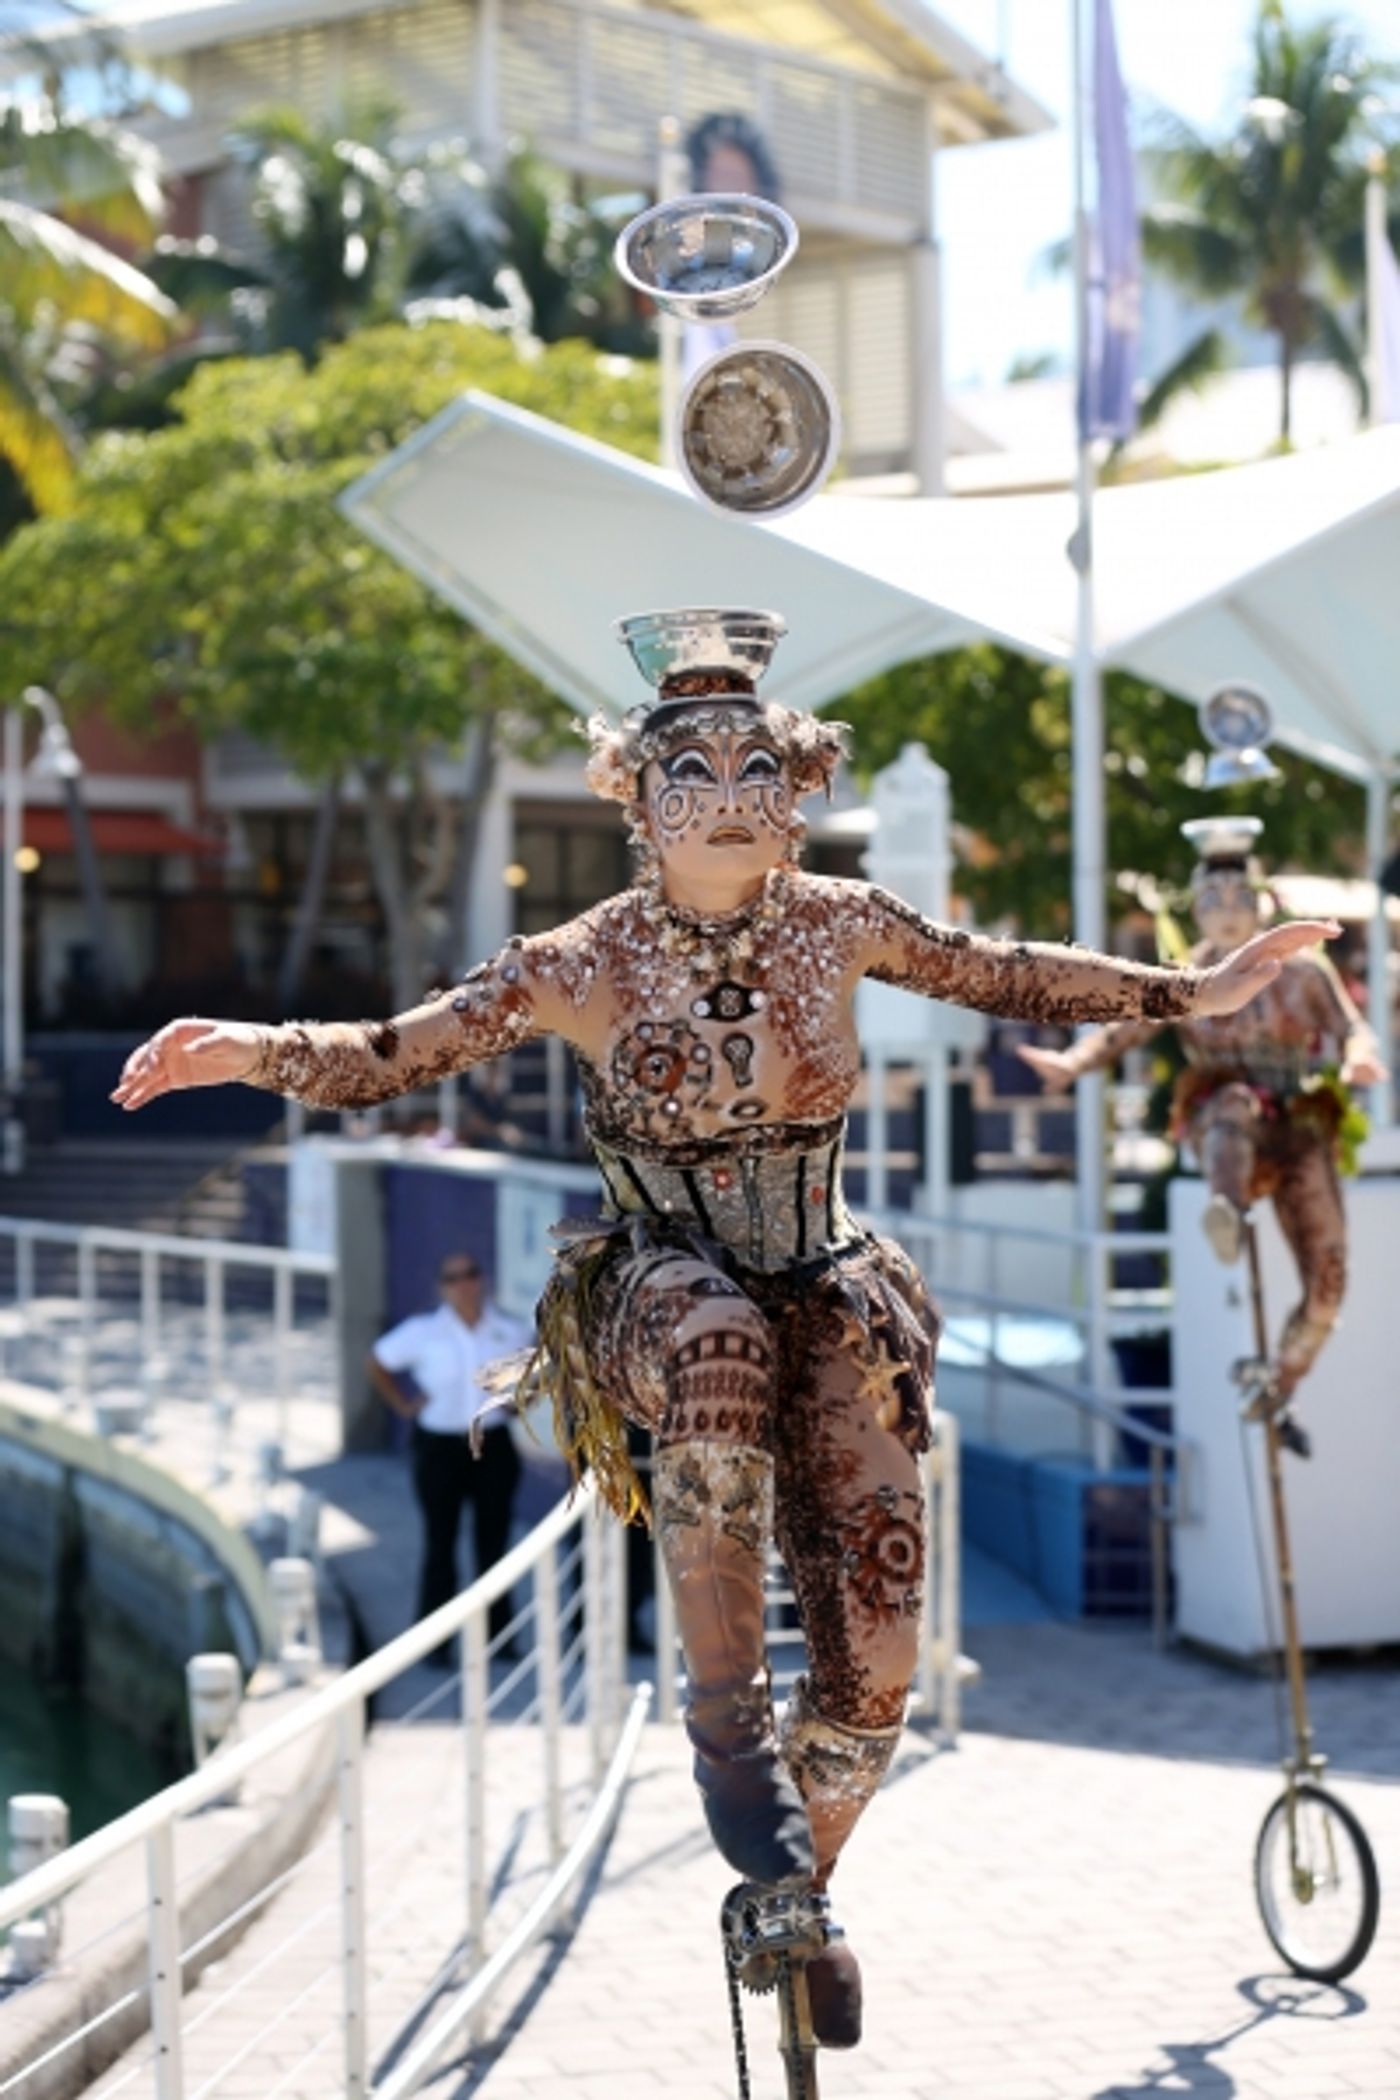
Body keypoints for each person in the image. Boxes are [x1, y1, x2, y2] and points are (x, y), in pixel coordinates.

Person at [111, 609, 1338, 2054]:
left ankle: (793, 1893)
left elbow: (1001, 969)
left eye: (759, 761)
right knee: (715, 1342)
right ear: (634, 796)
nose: (732, 790)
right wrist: (244, 1052)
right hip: (657, 1284)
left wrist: (1190, 992)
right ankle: (719, 1720)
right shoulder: (584, 957)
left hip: (825, 1278)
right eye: (690, 766)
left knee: (879, 1648)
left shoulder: (844, 921)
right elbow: (398, 1053)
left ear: (798, 783)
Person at [1018, 817, 1385, 1456]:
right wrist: (1072, 1065)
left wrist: (1359, 1058)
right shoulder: (1190, 979)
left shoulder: (1304, 974)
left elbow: (1356, 1028)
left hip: (1300, 1122)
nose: (1223, 913)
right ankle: (1224, 1207)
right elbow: (1128, 1026)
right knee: (1232, 1108)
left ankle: (1281, 1379)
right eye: (1209, 900)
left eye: (1235, 897)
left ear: (1259, 900)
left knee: (1329, 1278)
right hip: (1229, 1123)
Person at [367, 1254, 531, 1661]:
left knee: (492, 1545)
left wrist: (519, 1402)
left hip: (492, 1446)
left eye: (471, 1274)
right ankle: (435, 1643)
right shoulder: (424, 1332)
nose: (463, 1283)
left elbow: (537, 1370)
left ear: (483, 1279)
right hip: (439, 1447)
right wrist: (403, 1406)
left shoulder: (509, 1330)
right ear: (442, 1286)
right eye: (452, 1277)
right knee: (440, 1544)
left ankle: (500, 1639)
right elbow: (377, 1361)